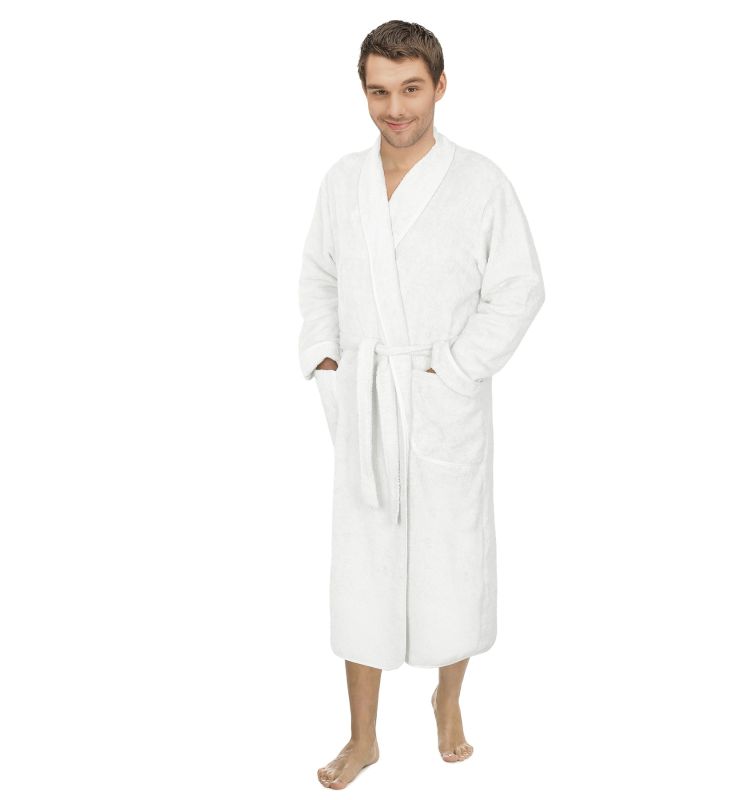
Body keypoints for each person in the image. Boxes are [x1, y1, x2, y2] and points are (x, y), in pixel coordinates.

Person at [297, 20, 545, 789]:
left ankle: (448, 699)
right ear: (363, 91)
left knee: (451, 555)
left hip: (443, 397)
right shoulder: (342, 182)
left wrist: (457, 368)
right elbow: (319, 275)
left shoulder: (480, 182)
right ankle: (362, 736)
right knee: (363, 563)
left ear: (439, 85)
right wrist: (326, 356)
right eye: (379, 91)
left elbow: (519, 288)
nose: (395, 108)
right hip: (366, 394)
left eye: (410, 89)